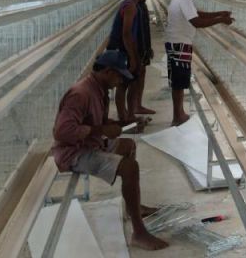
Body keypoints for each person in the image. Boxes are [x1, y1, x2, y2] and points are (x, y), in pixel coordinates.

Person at [52, 50, 168, 250]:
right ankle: (139, 233)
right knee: (130, 168)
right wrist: (101, 130)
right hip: (73, 153)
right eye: (119, 76)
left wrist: (124, 123)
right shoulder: (81, 94)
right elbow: (62, 132)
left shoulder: (99, 90)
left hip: (91, 143)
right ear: (107, 71)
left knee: (128, 145)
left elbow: (99, 123)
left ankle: (133, 207)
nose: (120, 81)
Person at [165, 0, 233, 126]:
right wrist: (220, 19)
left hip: (177, 42)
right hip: (179, 44)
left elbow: (197, 14)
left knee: (179, 81)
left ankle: (179, 113)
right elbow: (196, 21)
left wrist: (219, 13)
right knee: (179, 81)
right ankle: (177, 116)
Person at [107, 0, 145, 124]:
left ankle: (128, 115)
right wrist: (133, 57)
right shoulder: (130, 6)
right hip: (122, 50)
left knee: (129, 82)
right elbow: (126, 33)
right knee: (125, 83)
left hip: (123, 48)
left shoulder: (130, 4)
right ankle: (125, 117)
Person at [129, 0, 156, 118]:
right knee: (133, 80)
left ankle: (137, 105)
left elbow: (145, 29)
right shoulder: (131, 6)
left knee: (141, 76)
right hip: (135, 49)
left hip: (142, 48)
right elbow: (129, 33)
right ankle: (131, 110)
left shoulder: (142, 4)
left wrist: (148, 48)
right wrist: (133, 55)